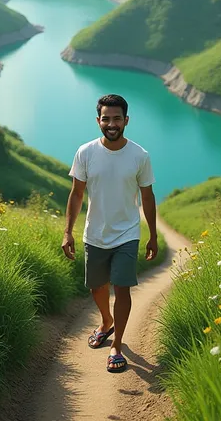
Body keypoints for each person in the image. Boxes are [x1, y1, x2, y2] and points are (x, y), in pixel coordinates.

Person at [61, 94, 158, 373]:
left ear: (126, 120)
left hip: (127, 233)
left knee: (122, 287)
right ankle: (106, 321)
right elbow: (77, 194)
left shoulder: (140, 156)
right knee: (97, 287)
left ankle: (116, 345)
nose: (111, 123)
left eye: (117, 118)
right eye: (106, 118)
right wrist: (68, 231)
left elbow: (147, 197)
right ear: (98, 121)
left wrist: (152, 234)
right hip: (95, 233)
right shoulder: (86, 152)